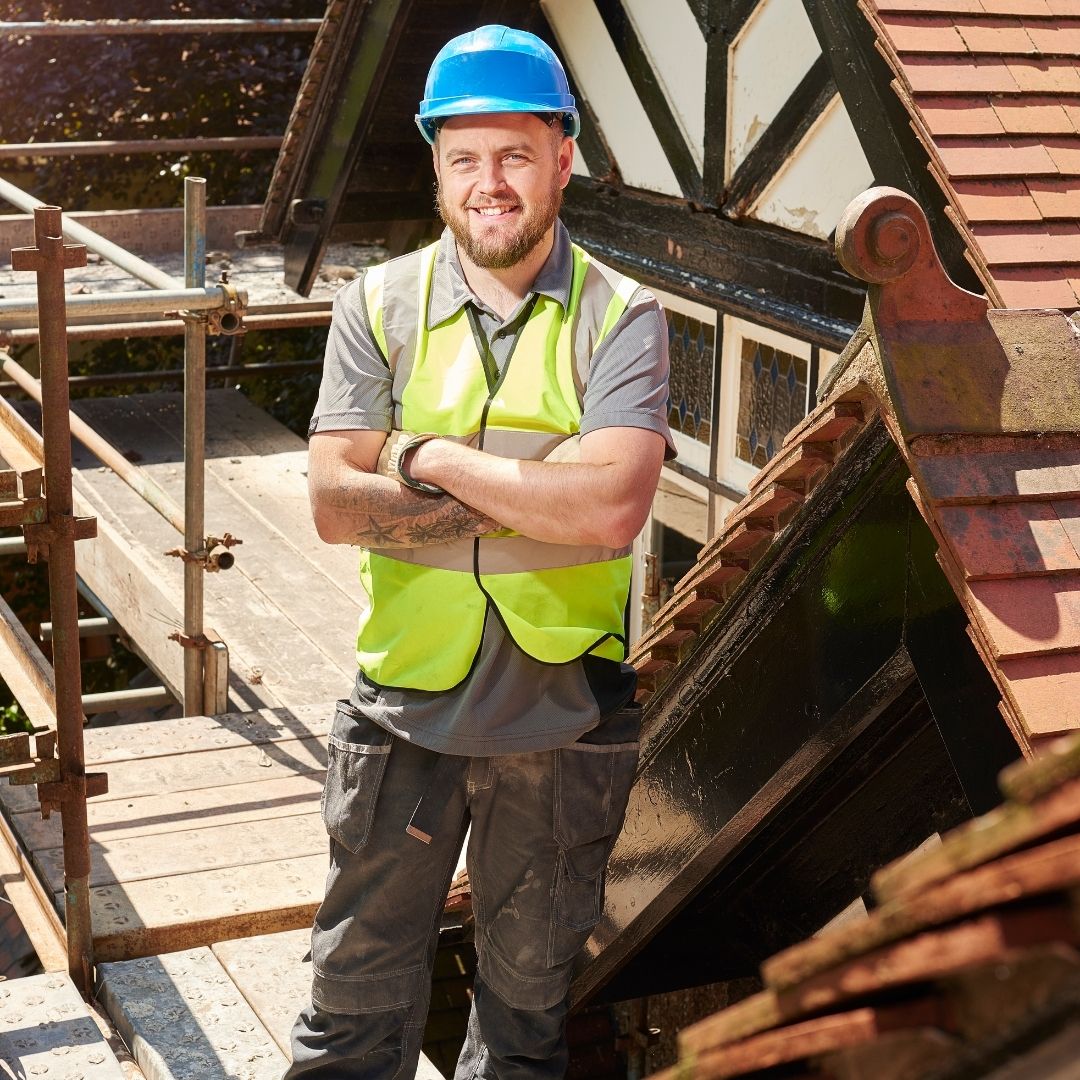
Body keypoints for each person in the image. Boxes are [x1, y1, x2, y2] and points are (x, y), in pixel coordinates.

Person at [285, 24, 674, 1080]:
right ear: (437, 164)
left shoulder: (623, 316)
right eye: (464, 157)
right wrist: (547, 488)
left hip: (562, 719)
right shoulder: (377, 304)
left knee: (524, 1024)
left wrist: (425, 457)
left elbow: (611, 511)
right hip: (404, 709)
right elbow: (333, 504)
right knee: (350, 1005)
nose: (488, 182)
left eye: (513, 155)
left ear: (563, 157)